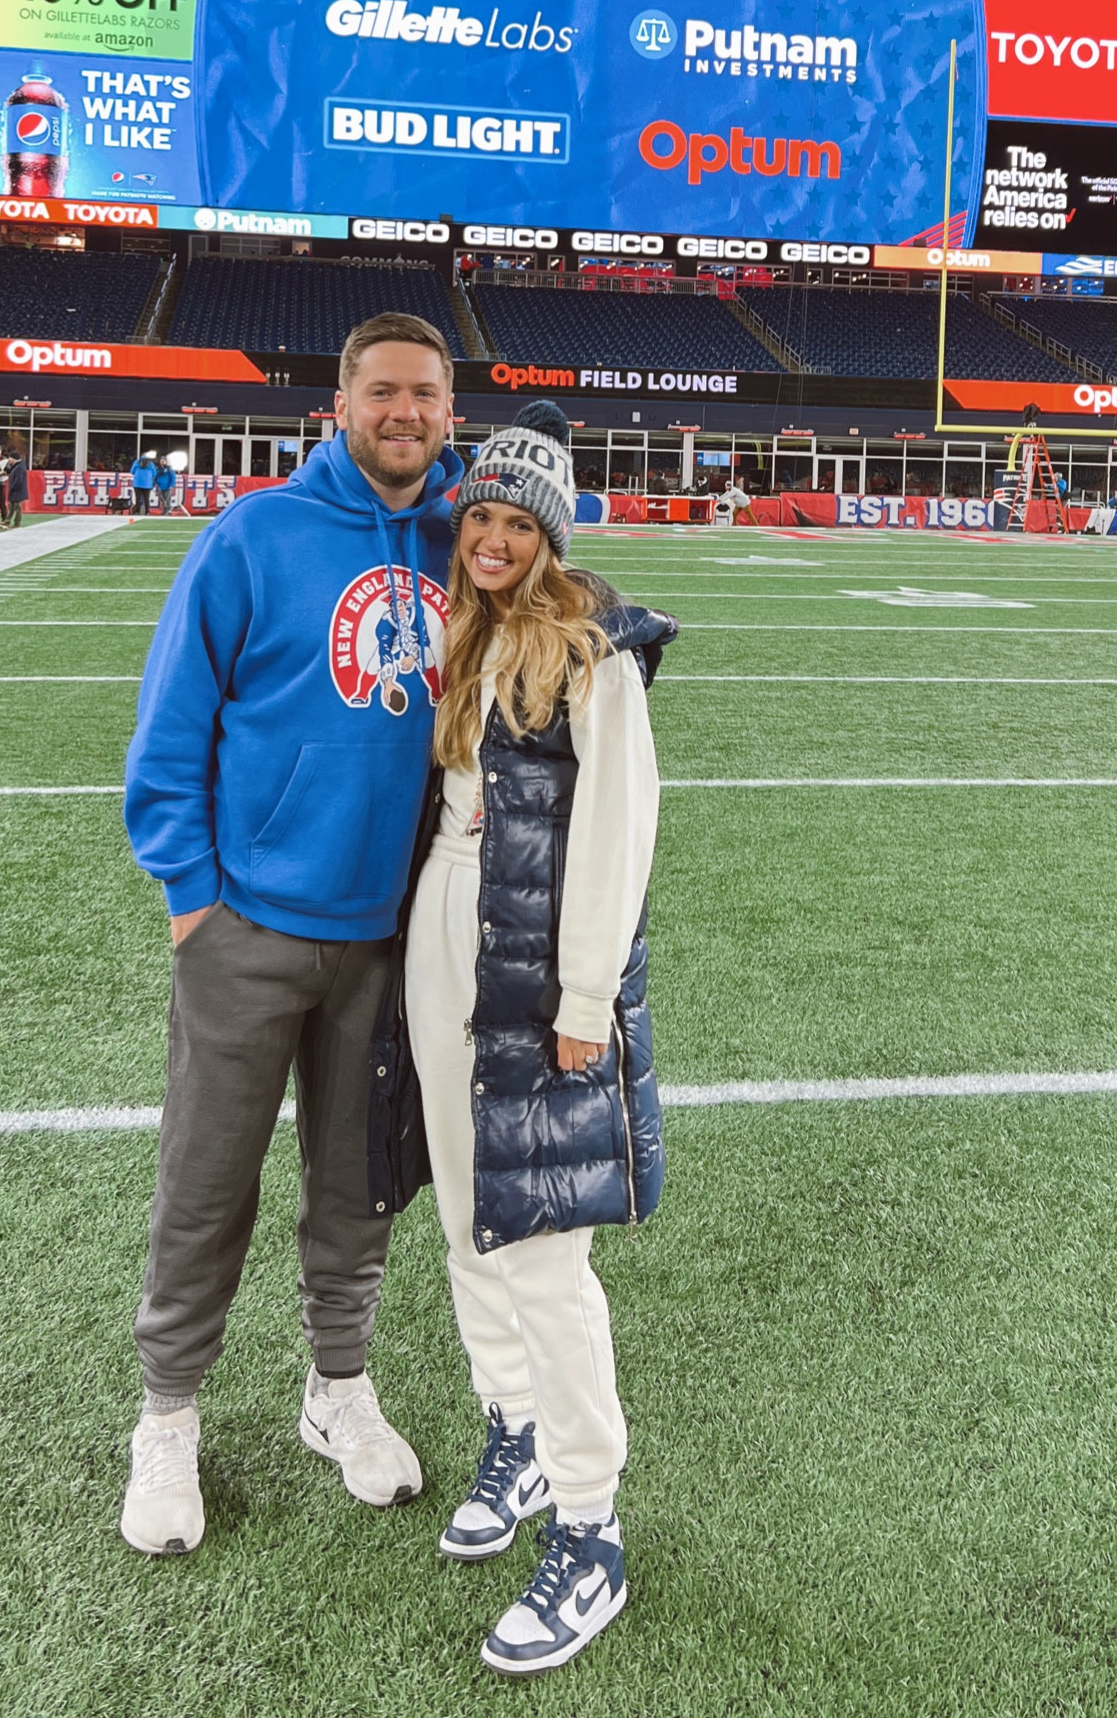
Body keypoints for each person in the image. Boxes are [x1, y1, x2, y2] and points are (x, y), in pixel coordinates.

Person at [119, 313, 462, 1558]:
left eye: (425, 394)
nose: (404, 412)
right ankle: (168, 1410)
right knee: (207, 1178)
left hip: (389, 935)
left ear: (451, 412)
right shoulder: (253, 534)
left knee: (357, 1184)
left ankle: (339, 1385)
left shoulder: (466, 540)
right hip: (249, 923)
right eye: (382, 391)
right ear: (341, 405)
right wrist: (192, 893)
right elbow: (171, 727)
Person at [402, 401, 674, 1677]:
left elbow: (618, 836)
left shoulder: (594, 652)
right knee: (468, 1218)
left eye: (519, 522)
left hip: (533, 968)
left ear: (553, 536)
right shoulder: (469, 631)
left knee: (546, 1251)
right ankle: (510, 1426)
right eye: (483, 517)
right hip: (439, 940)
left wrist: (581, 1001)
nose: (495, 539)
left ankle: (590, 1525)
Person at [5, 451, 29, 530]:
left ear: (13, 458)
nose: (9, 460)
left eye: (10, 458)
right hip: (15, 490)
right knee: (11, 506)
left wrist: (12, 487)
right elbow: (8, 471)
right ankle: (7, 521)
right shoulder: (16, 466)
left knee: (17, 507)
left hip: (18, 491)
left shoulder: (20, 467)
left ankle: (17, 523)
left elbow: (19, 480)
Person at [129, 452, 157, 517]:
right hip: (147, 484)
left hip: (137, 483)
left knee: (138, 499)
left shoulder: (136, 462)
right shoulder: (151, 464)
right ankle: (147, 512)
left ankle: (137, 511)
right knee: (146, 499)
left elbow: (132, 471)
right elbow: (154, 473)